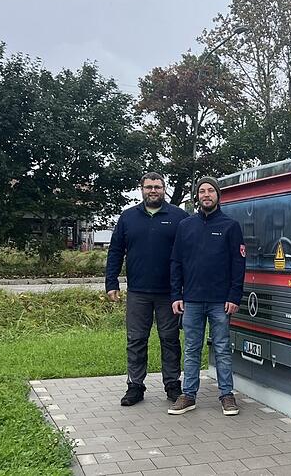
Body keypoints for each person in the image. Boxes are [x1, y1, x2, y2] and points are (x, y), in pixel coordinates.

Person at [105, 172, 188, 407]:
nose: (153, 191)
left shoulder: (179, 217)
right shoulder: (128, 217)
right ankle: (135, 386)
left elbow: (188, 254)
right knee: (136, 339)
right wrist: (111, 282)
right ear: (141, 189)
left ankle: (172, 384)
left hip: (169, 293)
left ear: (165, 189)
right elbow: (115, 251)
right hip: (138, 292)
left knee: (170, 339)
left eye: (158, 187)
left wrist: (185, 289)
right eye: (149, 187)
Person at [168, 176, 245, 416]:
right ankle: (188, 395)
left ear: (218, 196)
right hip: (190, 299)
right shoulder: (185, 226)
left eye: (211, 190)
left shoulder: (230, 226)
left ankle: (226, 395)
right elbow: (176, 262)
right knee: (191, 348)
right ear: (197, 197)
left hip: (220, 302)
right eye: (202, 191)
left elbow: (238, 265)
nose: (206, 194)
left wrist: (234, 296)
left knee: (221, 348)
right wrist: (175, 294)